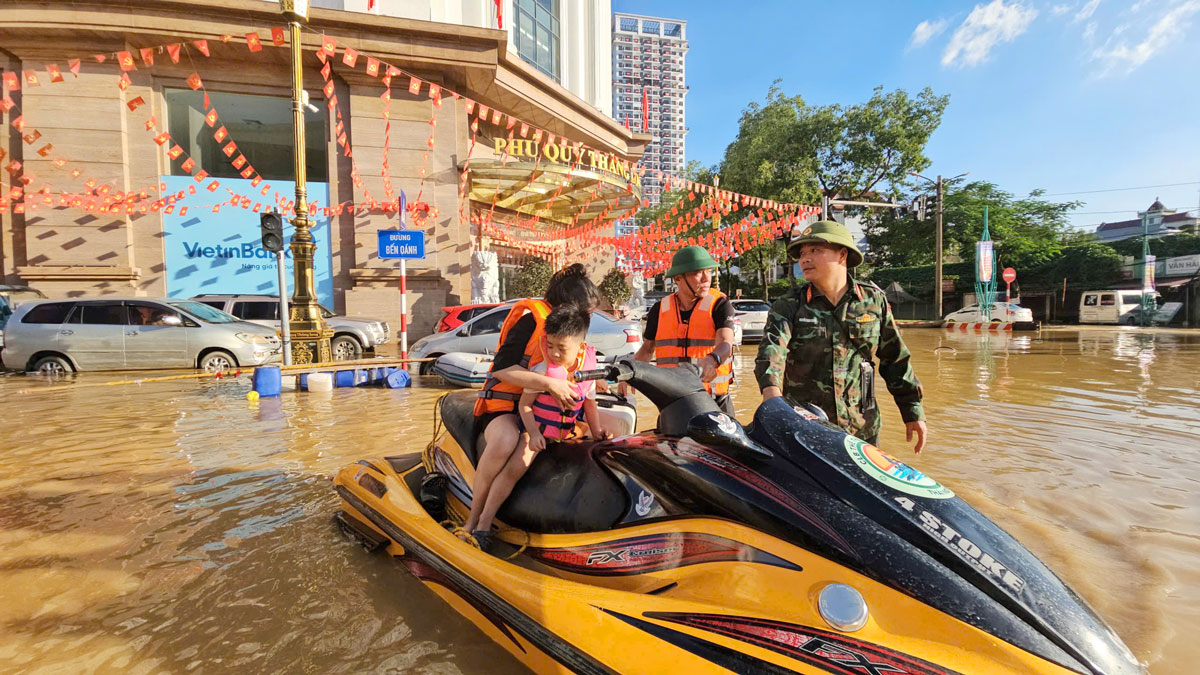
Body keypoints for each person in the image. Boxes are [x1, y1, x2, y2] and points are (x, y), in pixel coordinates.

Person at [755, 220, 927, 452]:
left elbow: (894, 358)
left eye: (815, 250)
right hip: (806, 426)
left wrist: (913, 412)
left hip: (862, 427)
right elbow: (772, 350)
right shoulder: (789, 305)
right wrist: (772, 397)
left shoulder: (873, 301)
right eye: (802, 253)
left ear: (842, 254)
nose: (805, 259)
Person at [463, 263, 602, 543]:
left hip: (545, 411)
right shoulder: (531, 320)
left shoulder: (570, 336)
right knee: (505, 441)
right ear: (567, 307)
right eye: (584, 312)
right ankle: (473, 519)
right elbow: (501, 370)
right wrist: (550, 384)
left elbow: (586, 385)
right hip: (506, 408)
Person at [631, 245, 736, 414]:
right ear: (678, 278)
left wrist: (713, 359)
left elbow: (725, 342)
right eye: (697, 273)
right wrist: (630, 374)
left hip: (714, 401)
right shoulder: (659, 310)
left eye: (708, 271)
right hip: (673, 402)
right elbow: (647, 350)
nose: (706, 278)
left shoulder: (720, 305)